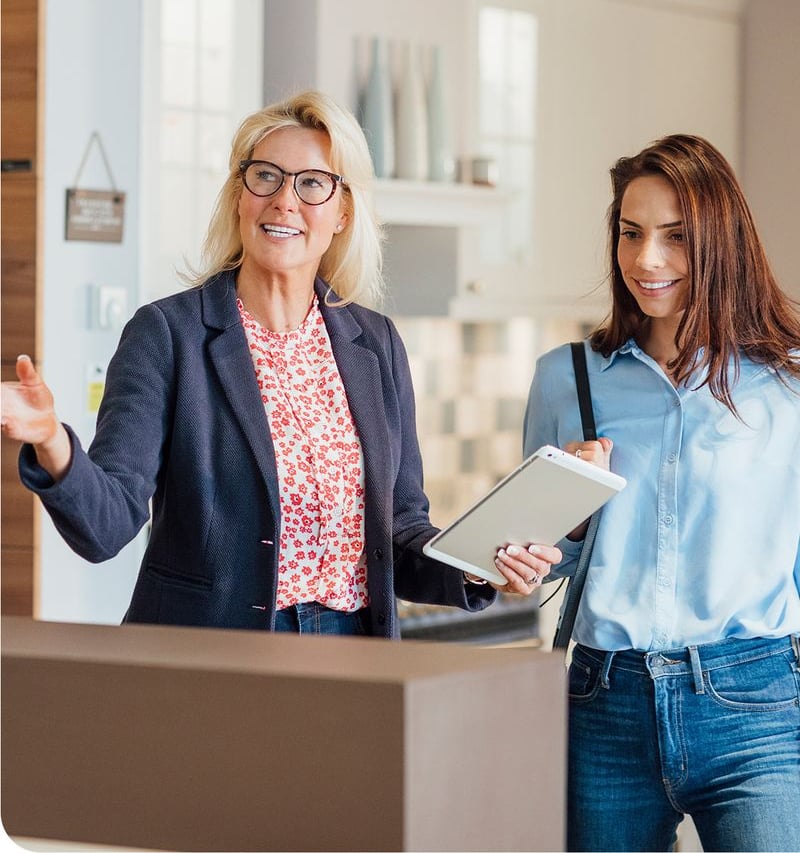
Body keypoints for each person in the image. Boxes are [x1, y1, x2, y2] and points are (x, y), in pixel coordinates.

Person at [1, 90, 559, 638]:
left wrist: (479, 564)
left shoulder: (376, 342)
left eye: (313, 183)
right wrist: (52, 440)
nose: (284, 201)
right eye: (265, 175)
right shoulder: (168, 334)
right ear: (239, 195)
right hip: (216, 658)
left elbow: (401, 528)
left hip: (354, 653)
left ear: (343, 212)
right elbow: (107, 525)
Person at [523, 134, 800, 852]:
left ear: (721, 242)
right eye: (631, 233)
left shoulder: (789, 381)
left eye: (675, 238)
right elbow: (541, 556)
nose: (647, 259)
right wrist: (566, 528)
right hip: (602, 702)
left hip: (756, 700)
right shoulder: (569, 378)